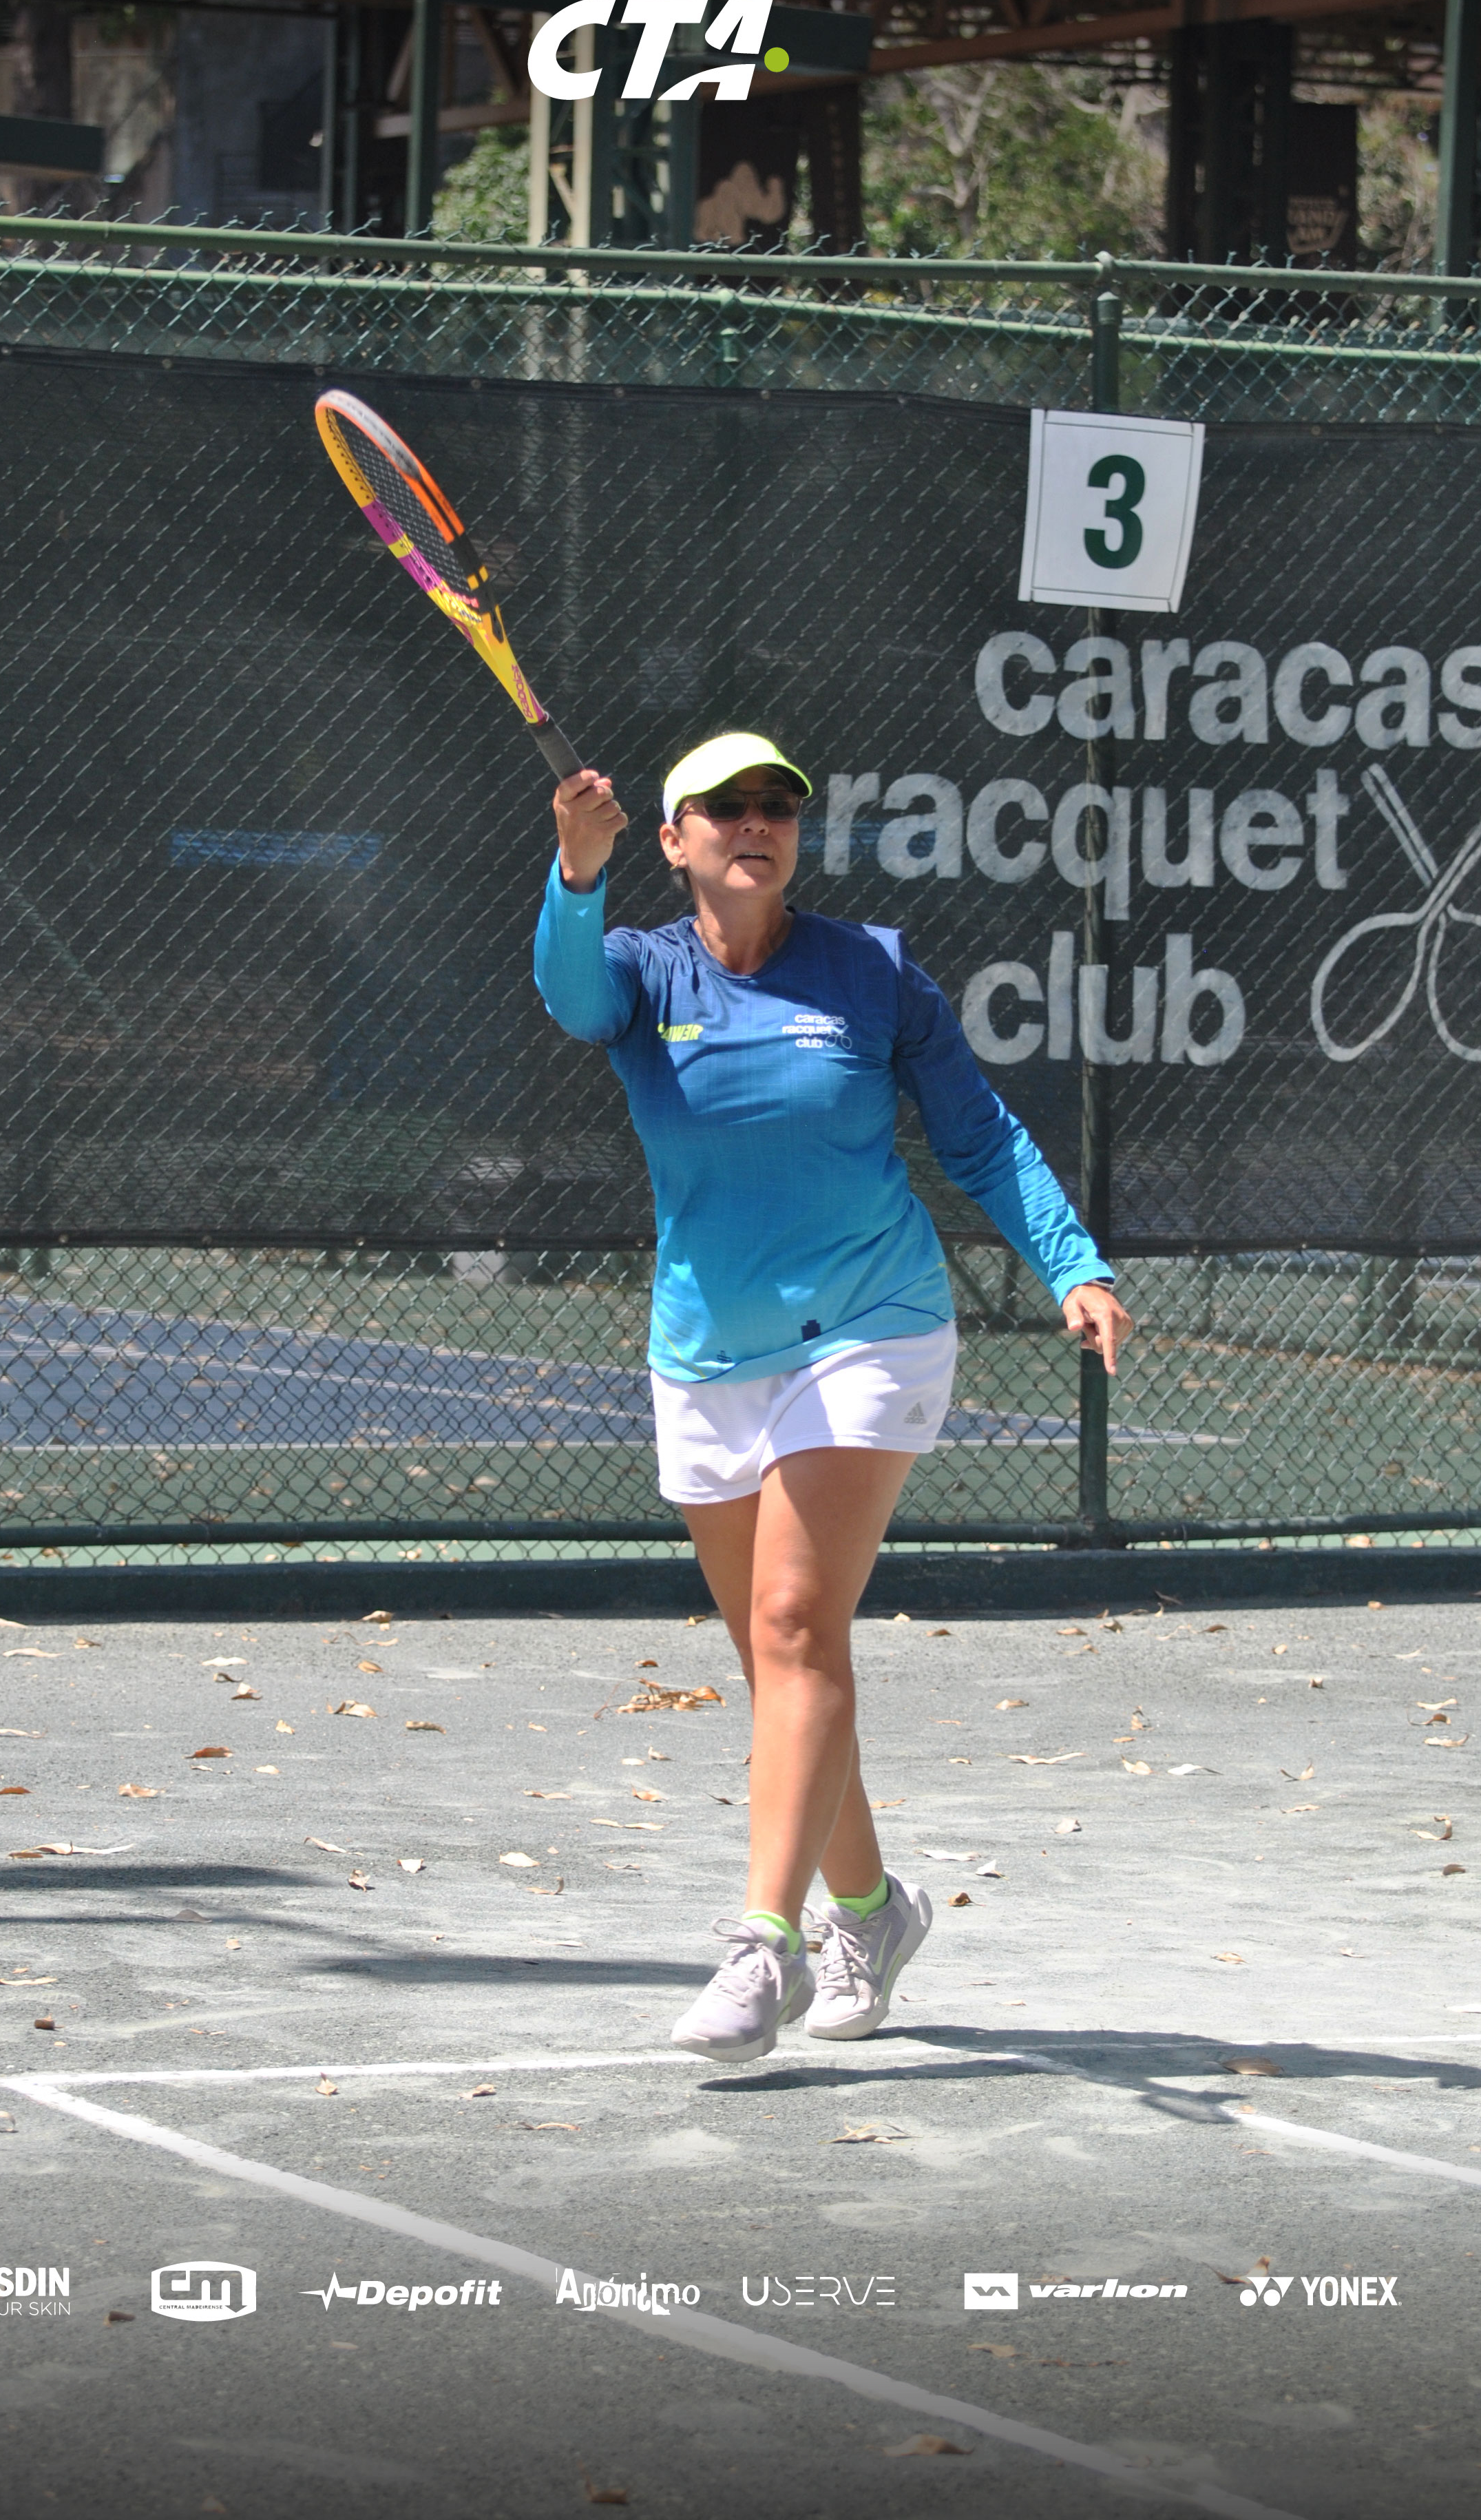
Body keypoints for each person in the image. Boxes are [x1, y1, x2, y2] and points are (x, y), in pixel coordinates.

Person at [533, 731, 1131, 2063]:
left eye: (779, 807)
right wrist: (575, 875)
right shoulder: (640, 969)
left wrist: (1071, 1261)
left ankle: (766, 1946)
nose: (758, 823)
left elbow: (979, 1130)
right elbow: (571, 1000)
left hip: (871, 1328)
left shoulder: (873, 970)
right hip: (705, 1347)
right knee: (781, 1666)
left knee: (800, 1623)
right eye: (726, 808)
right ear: (675, 839)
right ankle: (874, 1906)